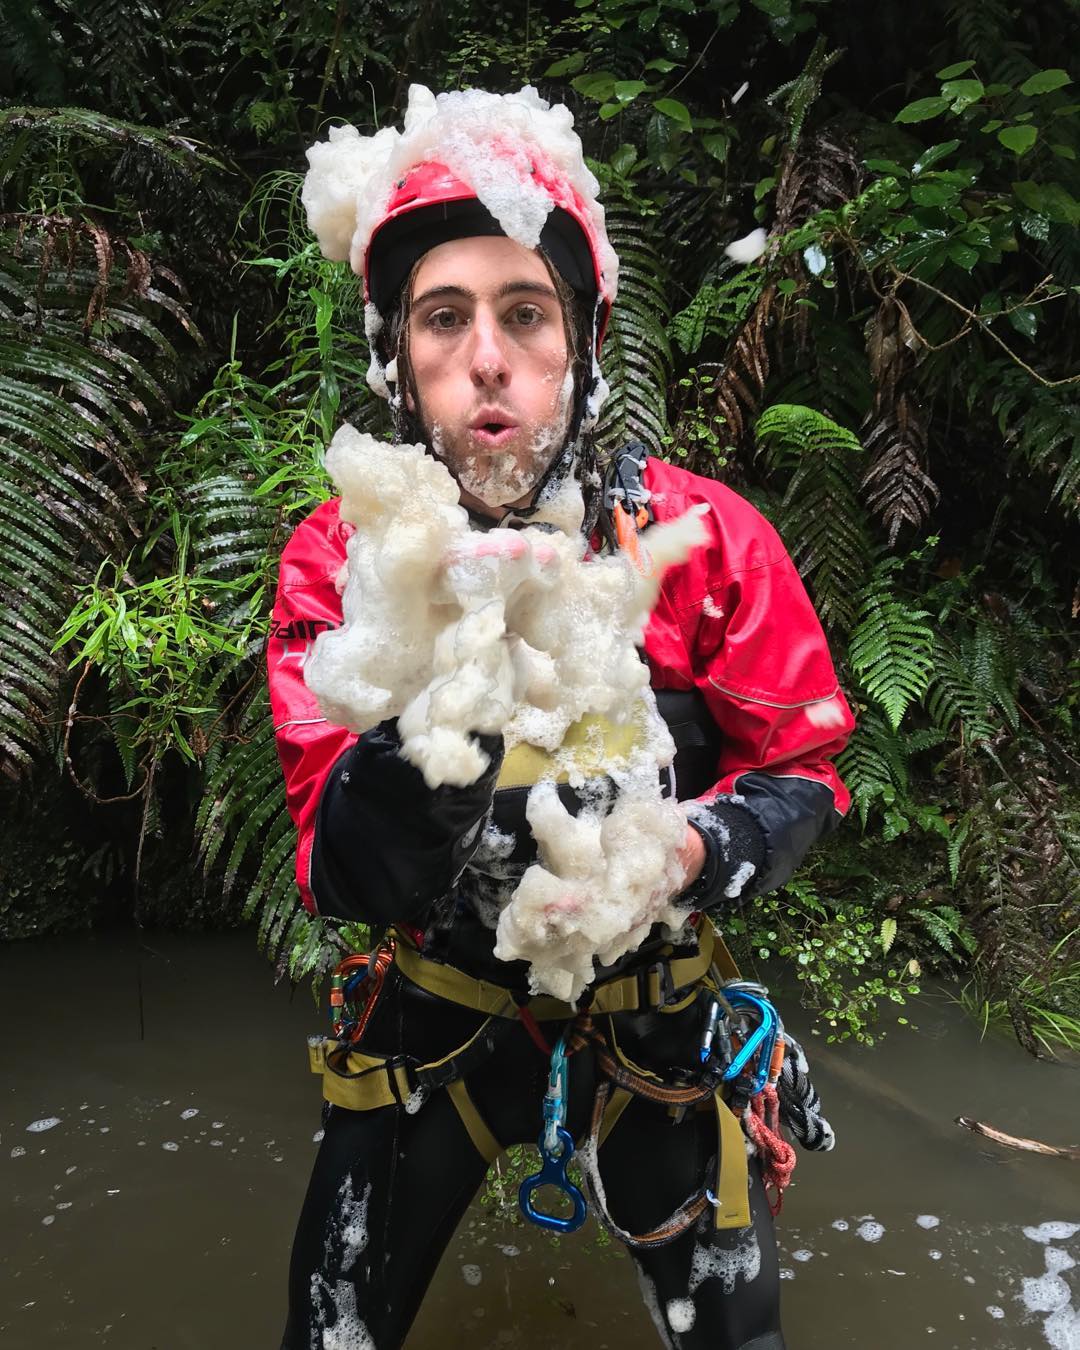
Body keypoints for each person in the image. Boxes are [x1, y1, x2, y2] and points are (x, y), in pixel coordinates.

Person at [269, 85, 855, 1350]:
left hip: (656, 1008)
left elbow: (803, 764)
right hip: (436, 1006)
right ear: (397, 356)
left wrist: (695, 849)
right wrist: (445, 721)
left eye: (525, 314)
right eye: (444, 317)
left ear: (583, 348)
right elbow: (338, 863)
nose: (488, 358)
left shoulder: (702, 544)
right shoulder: (342, 565)